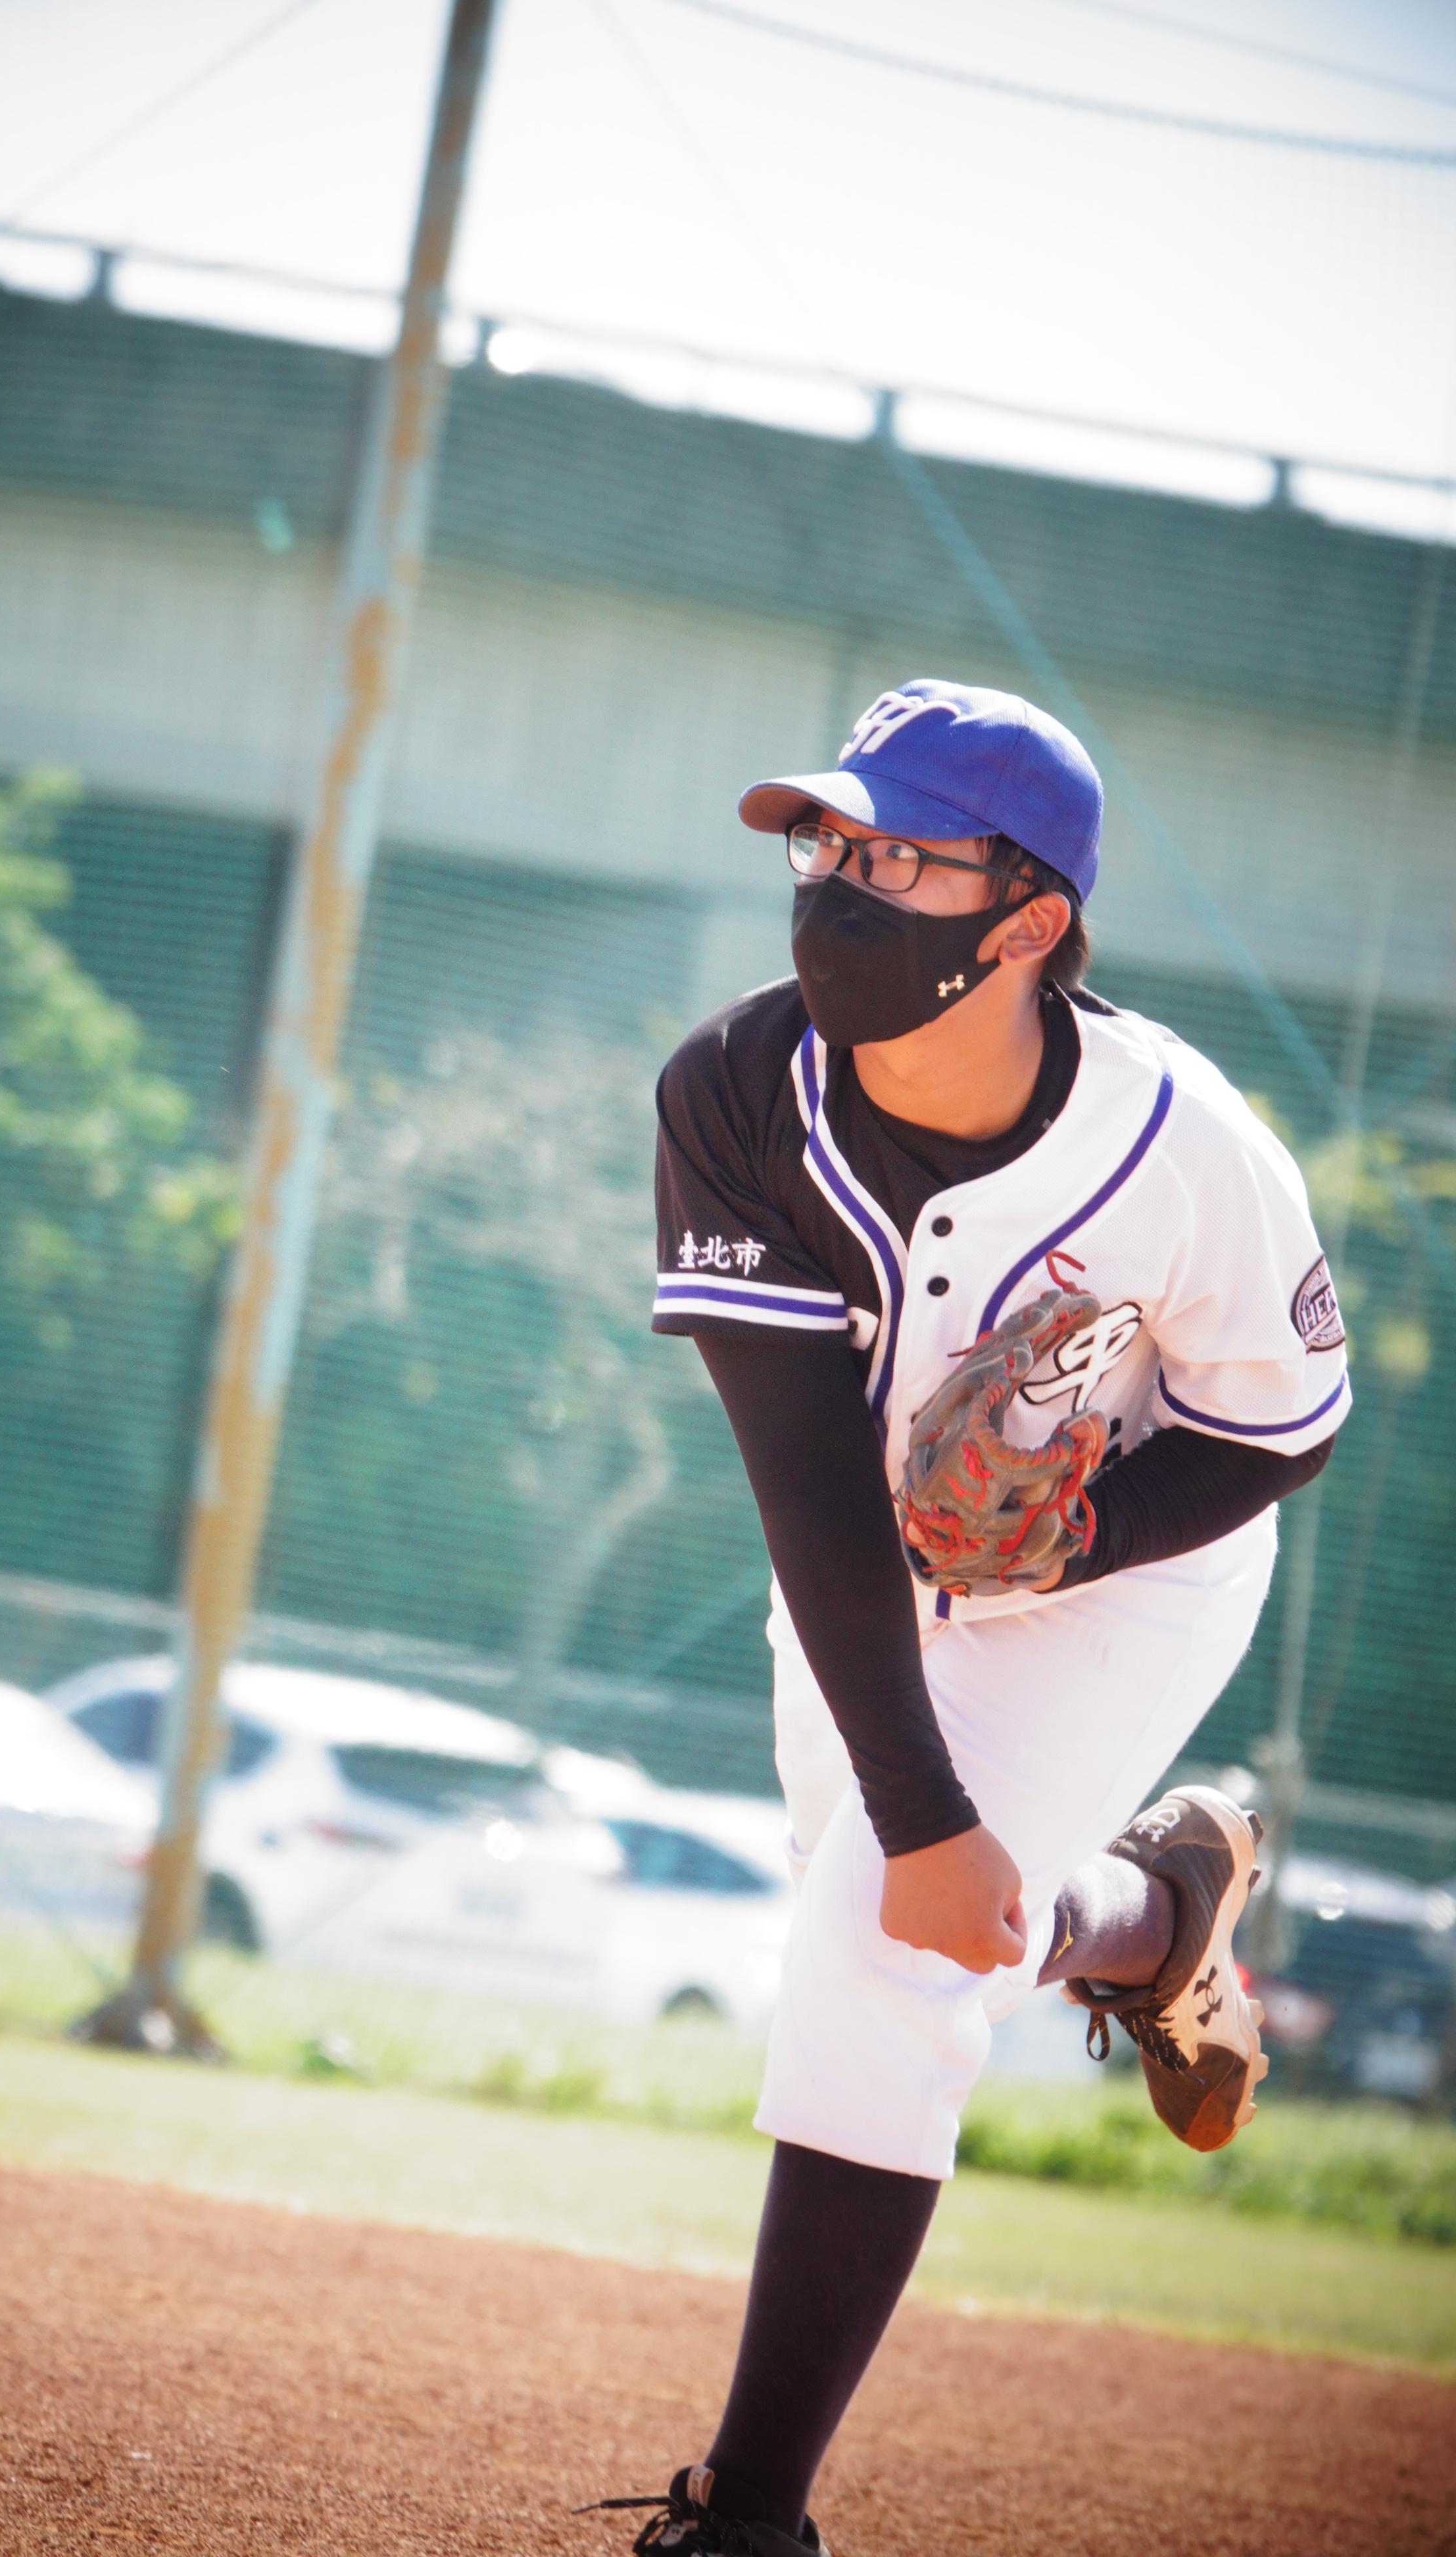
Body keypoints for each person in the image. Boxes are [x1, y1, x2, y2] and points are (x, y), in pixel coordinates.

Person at [593, 679, 1349, 2557]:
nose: (834, 883)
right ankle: (1150, 1915)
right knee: (913, 1906)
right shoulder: (734, 1093)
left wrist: (1065, 1547)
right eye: (824, 842)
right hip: (855, 1566)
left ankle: (749, 2521)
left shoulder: (1188, 1147)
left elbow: (1281, 1428)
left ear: (1025, 923)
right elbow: (807, 1485)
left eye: (894, 858)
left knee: (881, 1946)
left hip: (1136, 1571)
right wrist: (927, 1814)